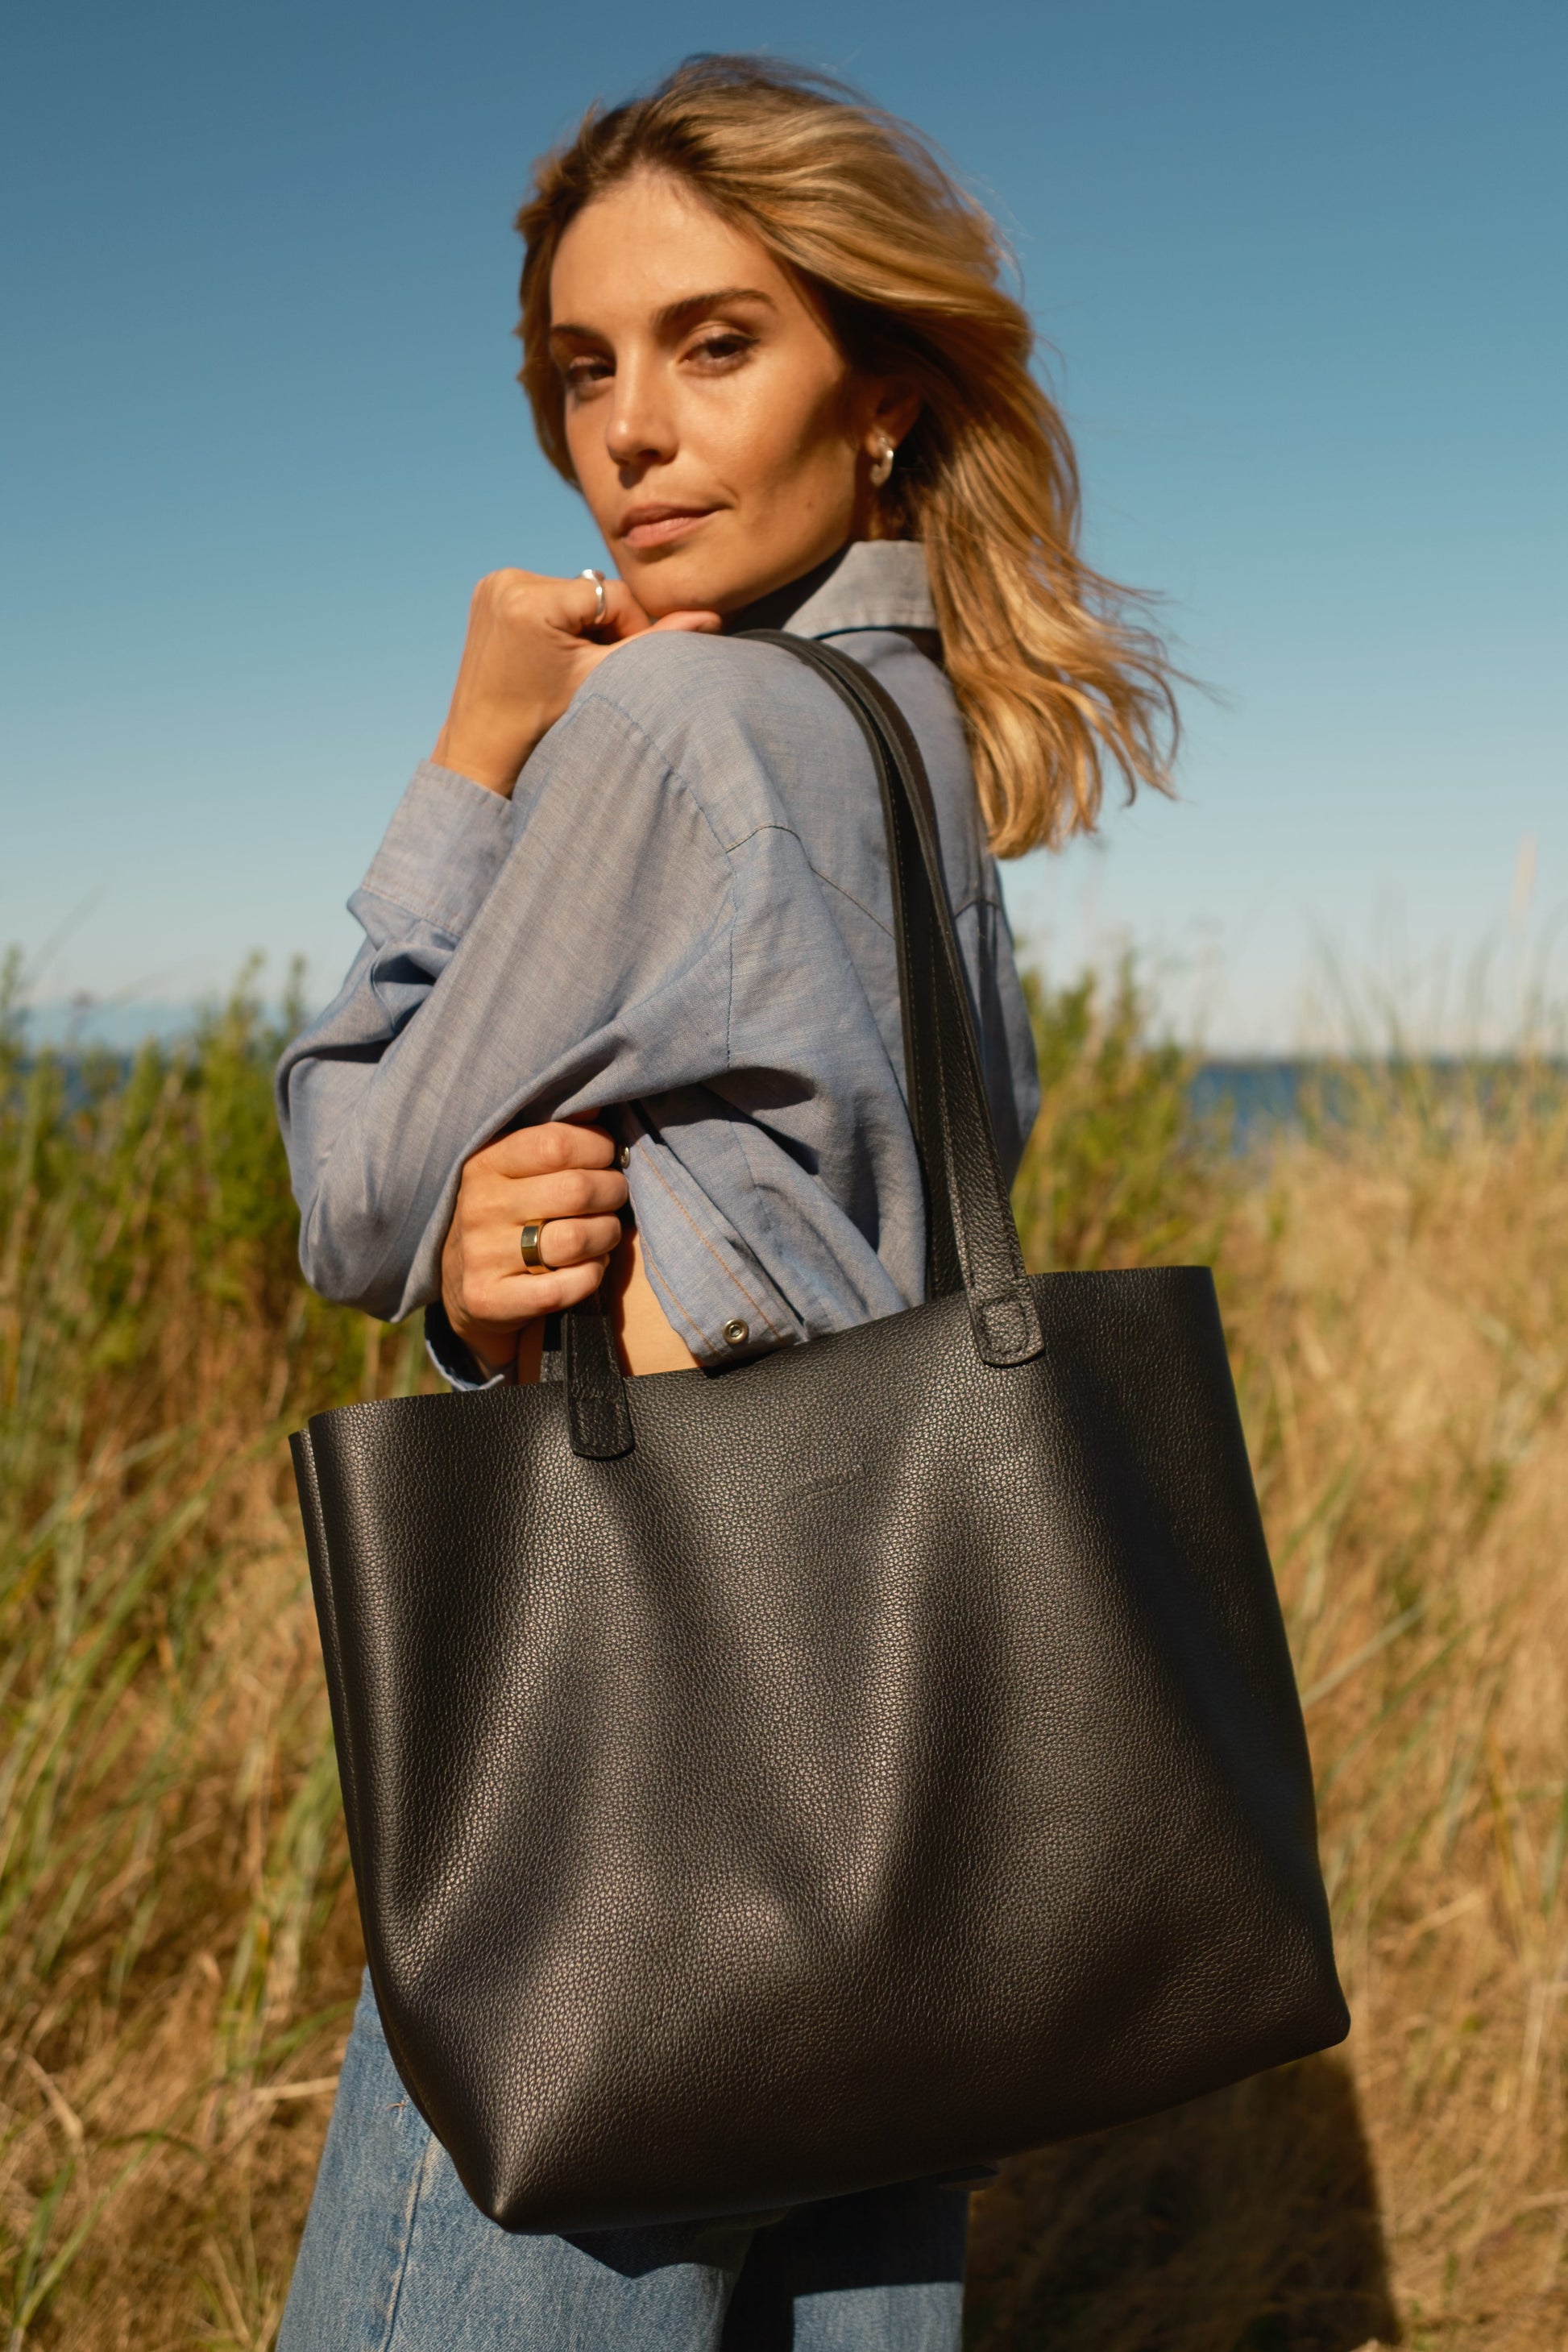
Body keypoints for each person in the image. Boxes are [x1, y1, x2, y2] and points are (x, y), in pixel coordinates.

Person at [274, 52, 1176, 2351]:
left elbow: (348, 1193)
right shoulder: (920, 740)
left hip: (649, 1767)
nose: (632, 436)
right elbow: (840, 1219)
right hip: (925, 1775)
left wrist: (475, 749)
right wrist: (518, 1274)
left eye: (712, 344)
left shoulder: (669, 731)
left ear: (880, 395)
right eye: (584, 369)